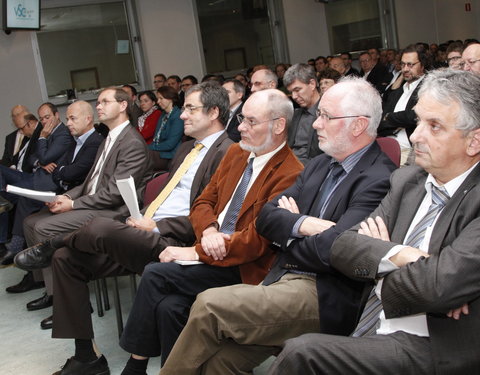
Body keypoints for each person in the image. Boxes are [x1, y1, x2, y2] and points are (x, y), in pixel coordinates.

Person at [160, 77, 397, 375]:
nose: (315, 124)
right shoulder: (321, 164)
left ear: (358, 125)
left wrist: (291, 231)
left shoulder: (380, 179)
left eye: (326, 116)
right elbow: (267, 218)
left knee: (209, 305)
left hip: (325, 295)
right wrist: (307, 225)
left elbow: (336, 250)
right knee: (218, 362)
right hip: (282, 279)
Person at [269, 69, 480, 375]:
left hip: (434, 346)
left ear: (474, 141)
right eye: (419, 120)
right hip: (374, 324)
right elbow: (343, 247)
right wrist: (402, 254)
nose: (416, 135)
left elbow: (437, 288)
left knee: (302, 353)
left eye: (434, 126)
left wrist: (380, 265)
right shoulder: (407, 180)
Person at [14, 82, 234, 375]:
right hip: (144, 227)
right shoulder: (185, 149)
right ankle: (86, 357)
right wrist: (142, 216)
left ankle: (54, 241)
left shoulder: (229, 153)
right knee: (66, 260)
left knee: (99, 226)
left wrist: (156, 224)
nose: (182, 115)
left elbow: (212, 214)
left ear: (214, 112)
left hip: (173, 240)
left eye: (191, 109)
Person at [118, 88, 304, 375]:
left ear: (278, 126)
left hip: (246, 267)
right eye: (242, 118)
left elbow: (257, 241)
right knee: (169, 307)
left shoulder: (291, 172)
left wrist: (196, 251)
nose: (240, 126)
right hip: (214, 248)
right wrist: (208, 230)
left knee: (156, 273)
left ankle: (135, 366)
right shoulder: (236, 152)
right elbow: (203, 201)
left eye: (251, 122)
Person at [15, 87, 152, 329]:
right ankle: (50, 289)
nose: (98, 106)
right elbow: (90, 181)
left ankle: (68, 302)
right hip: (95, 202)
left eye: (104, 102)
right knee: (30, 222)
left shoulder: (131, 142)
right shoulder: (108, 137)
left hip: (114, 212)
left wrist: (73, 204)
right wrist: (66, 196)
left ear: (122, 106)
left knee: (44, 226)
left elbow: (114, 194)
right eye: (98, 102)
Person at [0, 103, 74, 265]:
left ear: (56, 116)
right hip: (35, 176)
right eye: (41, 119)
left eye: (47, 117)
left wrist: (42, 138)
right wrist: (41, 162)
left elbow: (46, 157)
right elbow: (32, 158)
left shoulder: (62, 134)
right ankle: (2, 199)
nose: (44, 122)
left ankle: (14, 246)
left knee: (24, 200)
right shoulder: (46, 133)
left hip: (47, 183)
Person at [379, 44, 428, 164]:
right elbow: (380, 122)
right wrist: (400, 119)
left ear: (422, 65)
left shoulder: (429, 87)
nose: (405, 69)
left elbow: (414, 116)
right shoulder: (398, 91)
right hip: (386, 147)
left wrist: (390, 117)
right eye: (403, 64)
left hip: (410, 151)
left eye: (410, 65)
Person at [284, 63, 322, 165]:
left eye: (297, 90)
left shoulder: (328, 113)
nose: (294, 96)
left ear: (312, 84)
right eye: (291, 92)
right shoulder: (295, 114)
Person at [149, 86, 184, 171]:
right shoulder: (163, 115)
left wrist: (149, 148)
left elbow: (170, 144)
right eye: (158, 99)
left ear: (170, 98)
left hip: (170, 156)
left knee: (141, 157)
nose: (158, 102)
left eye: (161, 98)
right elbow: (156, 137)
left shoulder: (177, 116)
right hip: (159, 152)